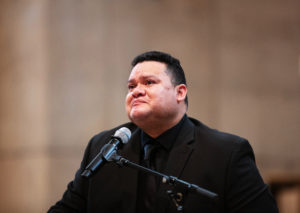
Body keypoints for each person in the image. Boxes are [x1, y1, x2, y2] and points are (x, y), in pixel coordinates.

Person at [48, 51, 279, 213]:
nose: (136, 91)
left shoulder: (226, 153)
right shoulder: (103, 147)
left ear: (180, 93)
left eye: (149, 82)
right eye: (131, 86)